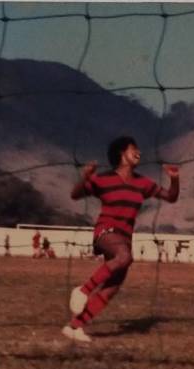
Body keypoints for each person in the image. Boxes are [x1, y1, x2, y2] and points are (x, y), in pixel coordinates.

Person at [63, 135, 179, 343]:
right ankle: (82, 290)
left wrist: (174, 178)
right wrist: (86, 178)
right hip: (105, 231)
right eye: (134, 148)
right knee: (124, 256)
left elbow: (171, 197)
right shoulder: (103, 179)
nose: (139, 152)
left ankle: (75, 327)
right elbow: (75, 195)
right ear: (121, 153)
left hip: (125, 236)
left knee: (113, 287)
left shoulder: (142, 182)